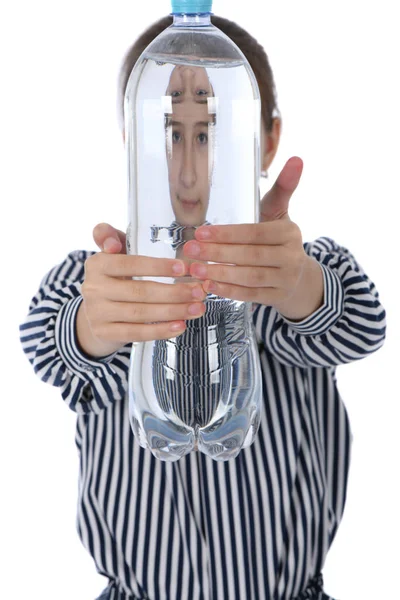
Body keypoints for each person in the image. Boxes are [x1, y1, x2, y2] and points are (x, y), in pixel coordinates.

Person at [19, 14, 386, 600]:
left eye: (211, 133)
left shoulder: (298, 272)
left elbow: (362, 324)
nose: (190, 172)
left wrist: (295, 285)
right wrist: (96, 324)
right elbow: (47, 340)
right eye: (170, 133)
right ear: (132, 138)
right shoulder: (97, 277)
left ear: (266, 140)